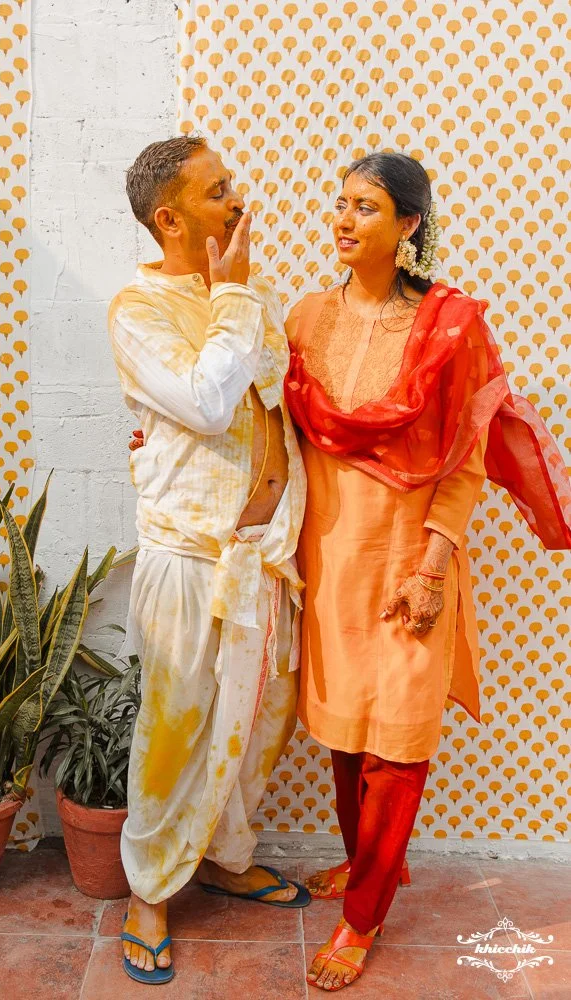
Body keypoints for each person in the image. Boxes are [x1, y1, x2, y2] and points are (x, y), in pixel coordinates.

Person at [283, 151, 571, 991]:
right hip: (330, 553)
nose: (343, 220)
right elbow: (278, 430)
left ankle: (361, 915)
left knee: (397, 740)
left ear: (408, 224)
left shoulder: (450, 324)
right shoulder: (304, 316)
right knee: (345, 728)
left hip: (410, 555)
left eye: (365, 207)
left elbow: (467, 457)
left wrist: (434, 564)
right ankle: (369, 863)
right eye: (340, 203)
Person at [107, 135, 309, 985]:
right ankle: (148, 892)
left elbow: (280, 405)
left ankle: (225, 857)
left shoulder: (248, 297)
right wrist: (233, 296)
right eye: (218, 189)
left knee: (260, 723)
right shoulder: (138, 310)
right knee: (175, 729)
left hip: (265, 557)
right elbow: (207, 401)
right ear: (171, 218)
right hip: (190, 562)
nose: (238, 199)